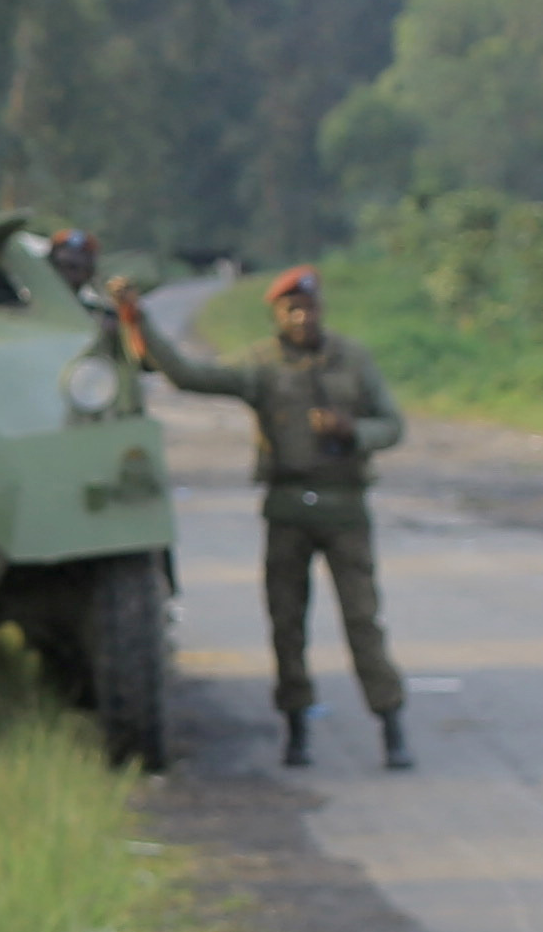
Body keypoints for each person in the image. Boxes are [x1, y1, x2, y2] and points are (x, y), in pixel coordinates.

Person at [131, 261, 412, 769]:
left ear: (321, 308)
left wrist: (355, 432)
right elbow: (189, 375)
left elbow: (393, 424)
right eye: (292, 309)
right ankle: (296, 727)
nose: (302, 317)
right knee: (287, 624)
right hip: (286, 508)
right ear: (277, 314)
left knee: (362, 621)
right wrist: (139, 321)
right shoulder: (262, 365)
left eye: (309, 307)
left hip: (345, 508)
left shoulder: (352, 359)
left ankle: (391, 723)